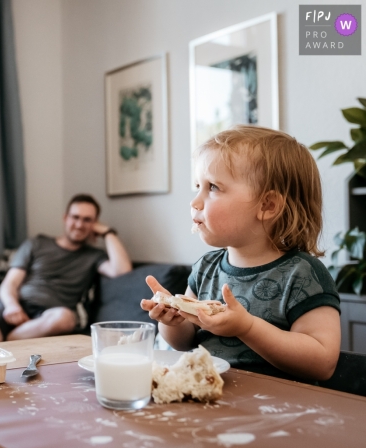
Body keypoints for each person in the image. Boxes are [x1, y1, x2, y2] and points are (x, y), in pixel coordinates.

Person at [141, 125, 341, 381]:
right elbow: (184, 342)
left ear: (267, 205)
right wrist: (173, 321)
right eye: (198, 186)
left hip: (278, 409)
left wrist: (246, 327)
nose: (195, 201)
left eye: (213, 187)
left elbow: (321, 363)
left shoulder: (303, 275)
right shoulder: (206, 268)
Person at [0, 194, 132, 344]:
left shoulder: (94, 256)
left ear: (95, 224)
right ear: (65, 218)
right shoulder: (37, 243)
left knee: (65, 318)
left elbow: (122, 270)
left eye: (87, 220)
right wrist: (12, 305)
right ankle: (11, 342)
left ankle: (7, 343)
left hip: (49, 315)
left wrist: (108, 232)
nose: (79, 225)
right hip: (13, 304)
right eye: (75, 217)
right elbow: (10, 283)